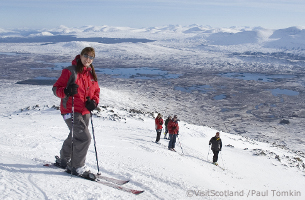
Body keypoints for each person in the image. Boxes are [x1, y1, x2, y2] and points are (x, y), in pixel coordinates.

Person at [52, 47, 100, 176]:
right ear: (80, 55)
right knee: (84, 138)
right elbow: (56, 89)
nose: (88, 59)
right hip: (70, 110)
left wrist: (94, 102)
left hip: (85, 112)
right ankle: (76, 167)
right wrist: (66, 91)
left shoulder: (91, 73)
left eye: (91, 57)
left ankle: (63, 160)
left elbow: (96, 91)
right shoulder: (70, 71)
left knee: (75, 136)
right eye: (86, 56)